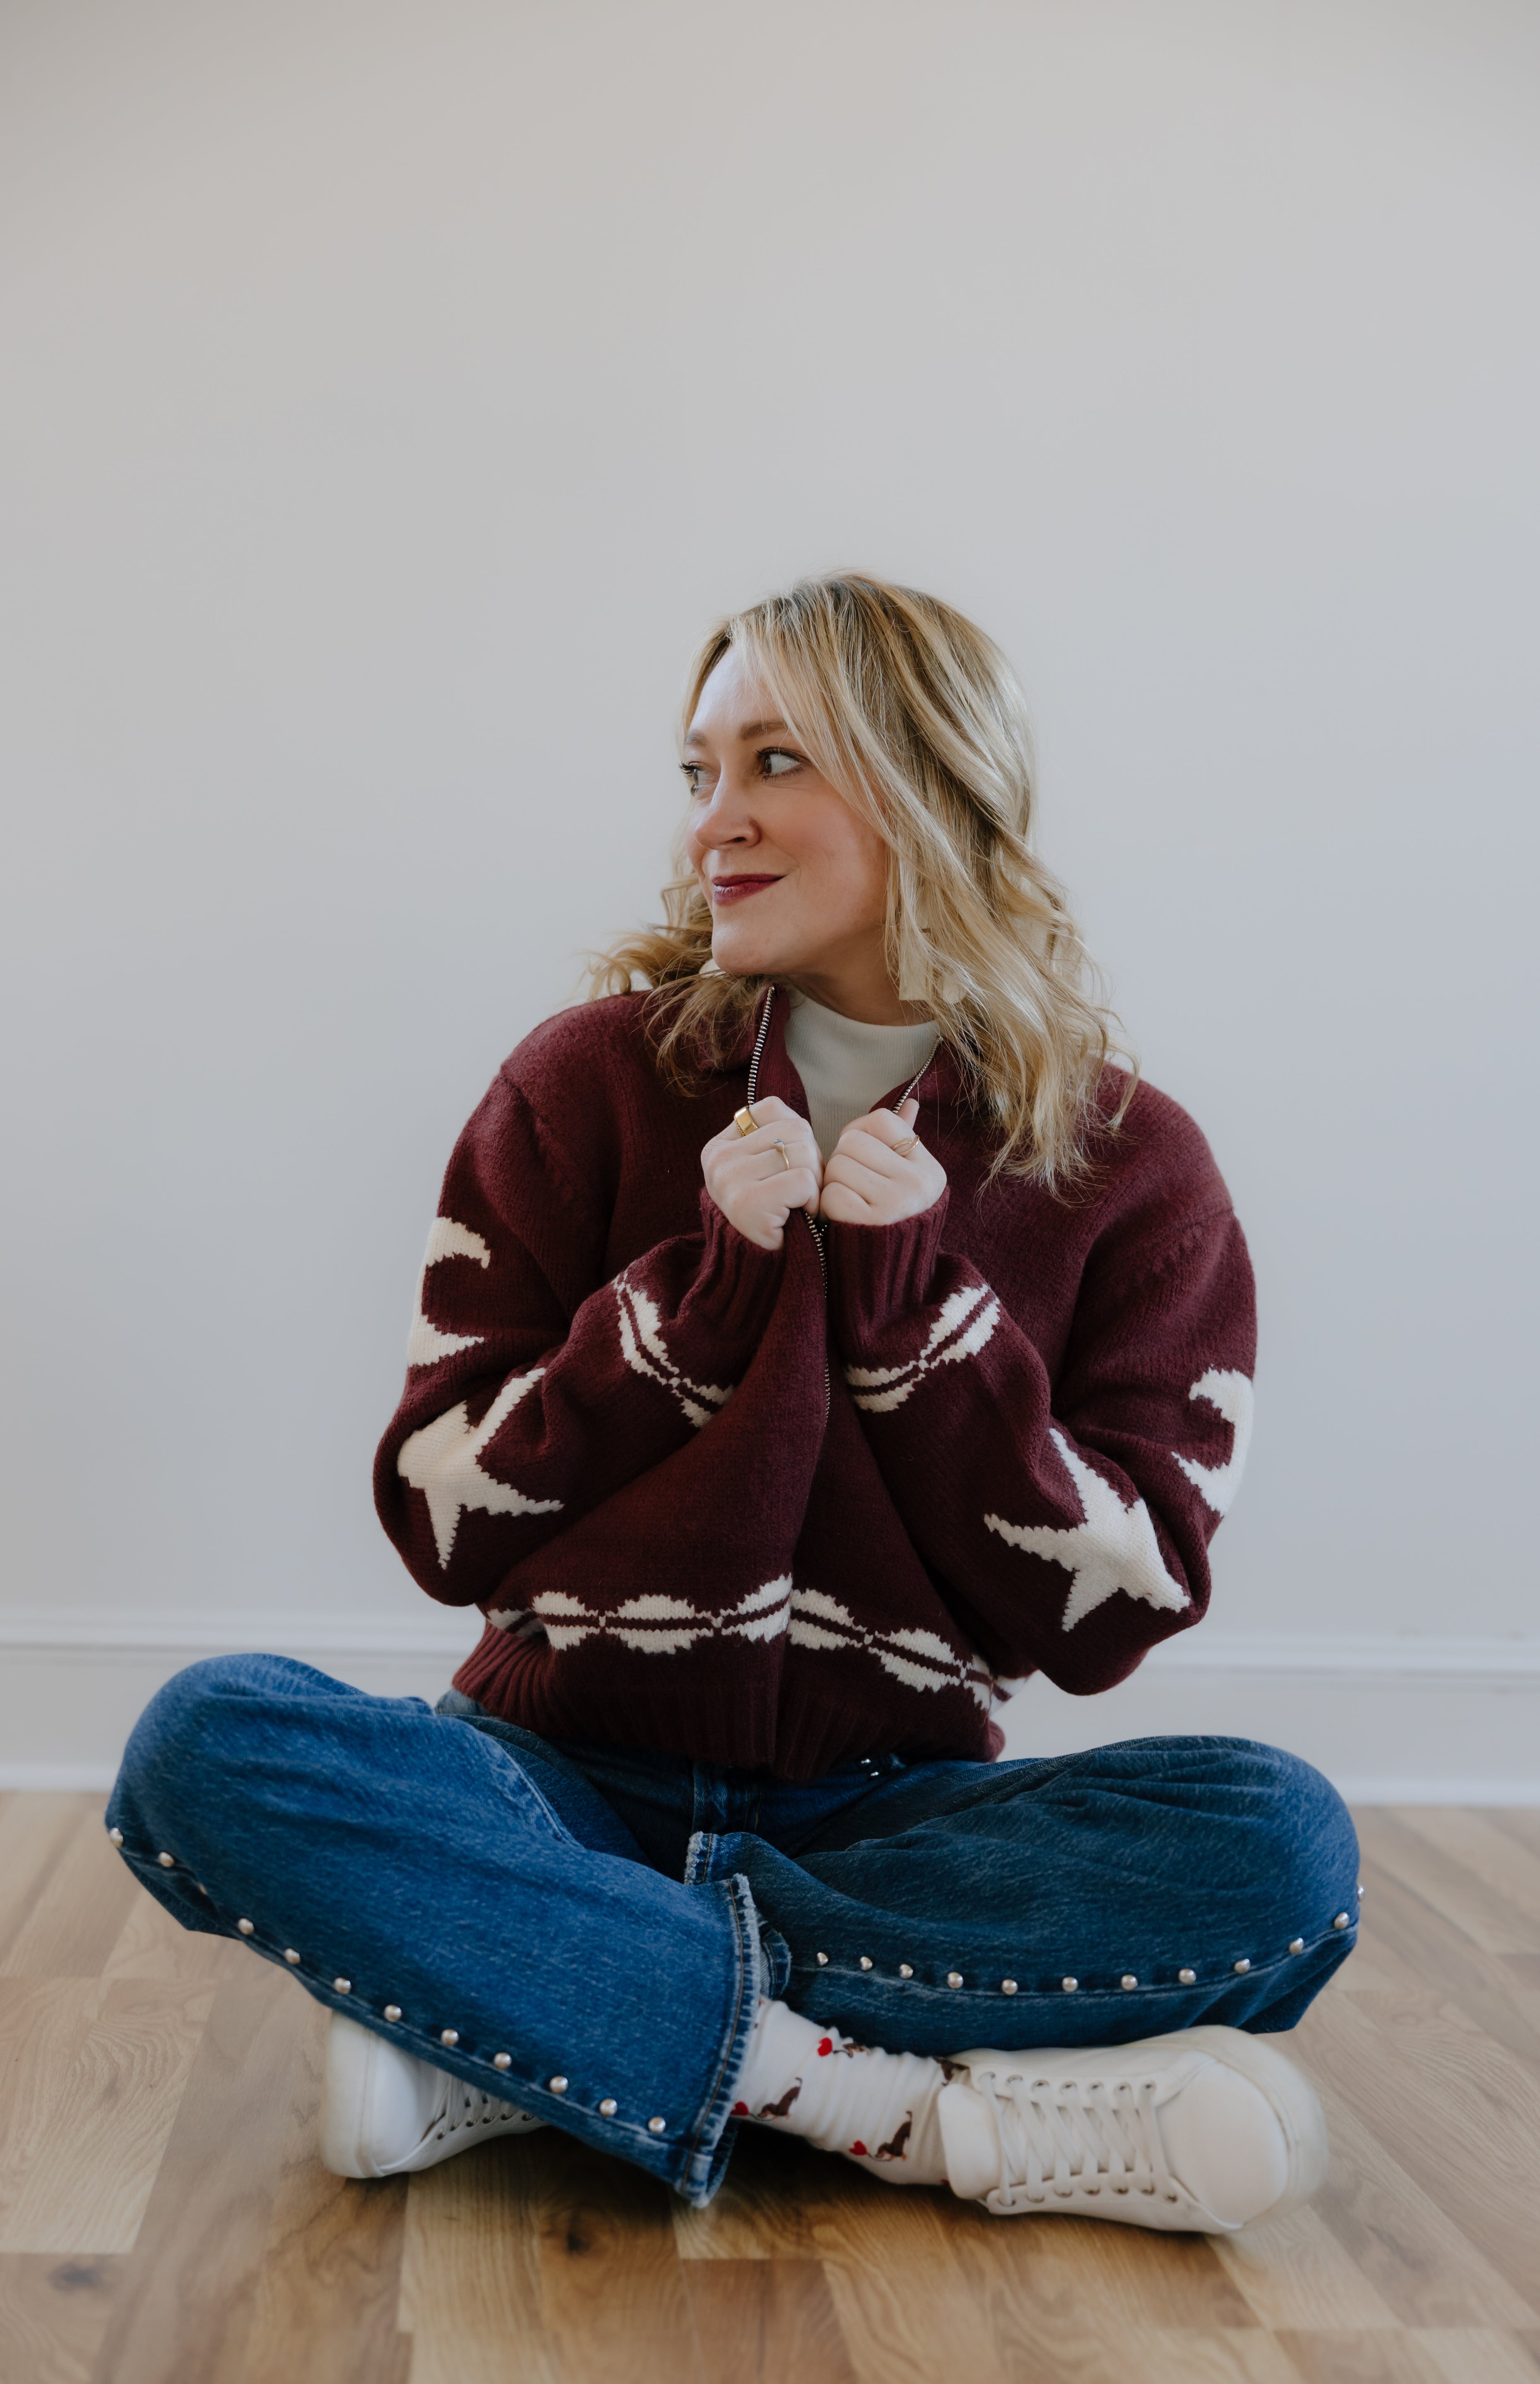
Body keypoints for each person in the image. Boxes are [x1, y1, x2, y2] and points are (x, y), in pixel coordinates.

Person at [106, 574, 1357, 2228]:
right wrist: (690, 1305)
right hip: (551, 1788)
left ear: (932, 785)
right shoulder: (580, 1085)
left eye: (776, 764)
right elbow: (433, 1509)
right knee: (207, 1746)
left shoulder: (1135, 1172)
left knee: (1281, 1847)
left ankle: (537, 2019)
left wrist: (928, 1316)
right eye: (699, 773)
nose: (715, 824)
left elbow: (1114, 1612)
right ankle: (882, 2105)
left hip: (886, 1823)